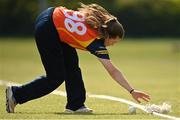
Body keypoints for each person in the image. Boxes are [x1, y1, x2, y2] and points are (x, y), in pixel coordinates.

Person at [6, 3, 150, 113]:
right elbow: (112, 70)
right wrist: (132, 90)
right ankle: (17, 94)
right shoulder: (95, 42)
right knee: (55, 77)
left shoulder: (97, 25)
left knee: (72, 67)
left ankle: (75, 105)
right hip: (48, 29)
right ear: (107, 35)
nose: (113, 45)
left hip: (51, 15)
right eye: (113, 41)